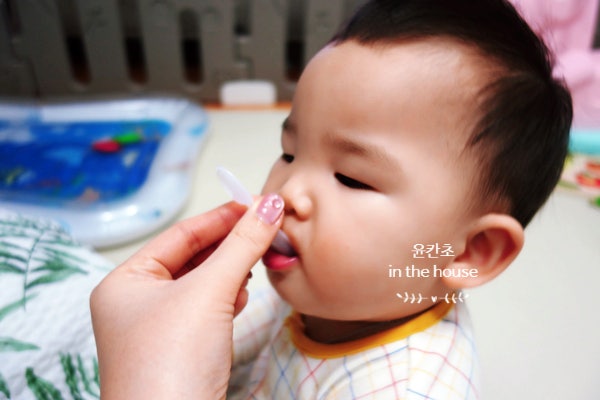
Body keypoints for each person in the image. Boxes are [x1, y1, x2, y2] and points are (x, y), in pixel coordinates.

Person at [91, 0, 572, 398]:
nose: (288, 191)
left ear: (469, 252)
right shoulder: (333, 286)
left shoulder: (406, 388)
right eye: (290, 152)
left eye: (351, 178)